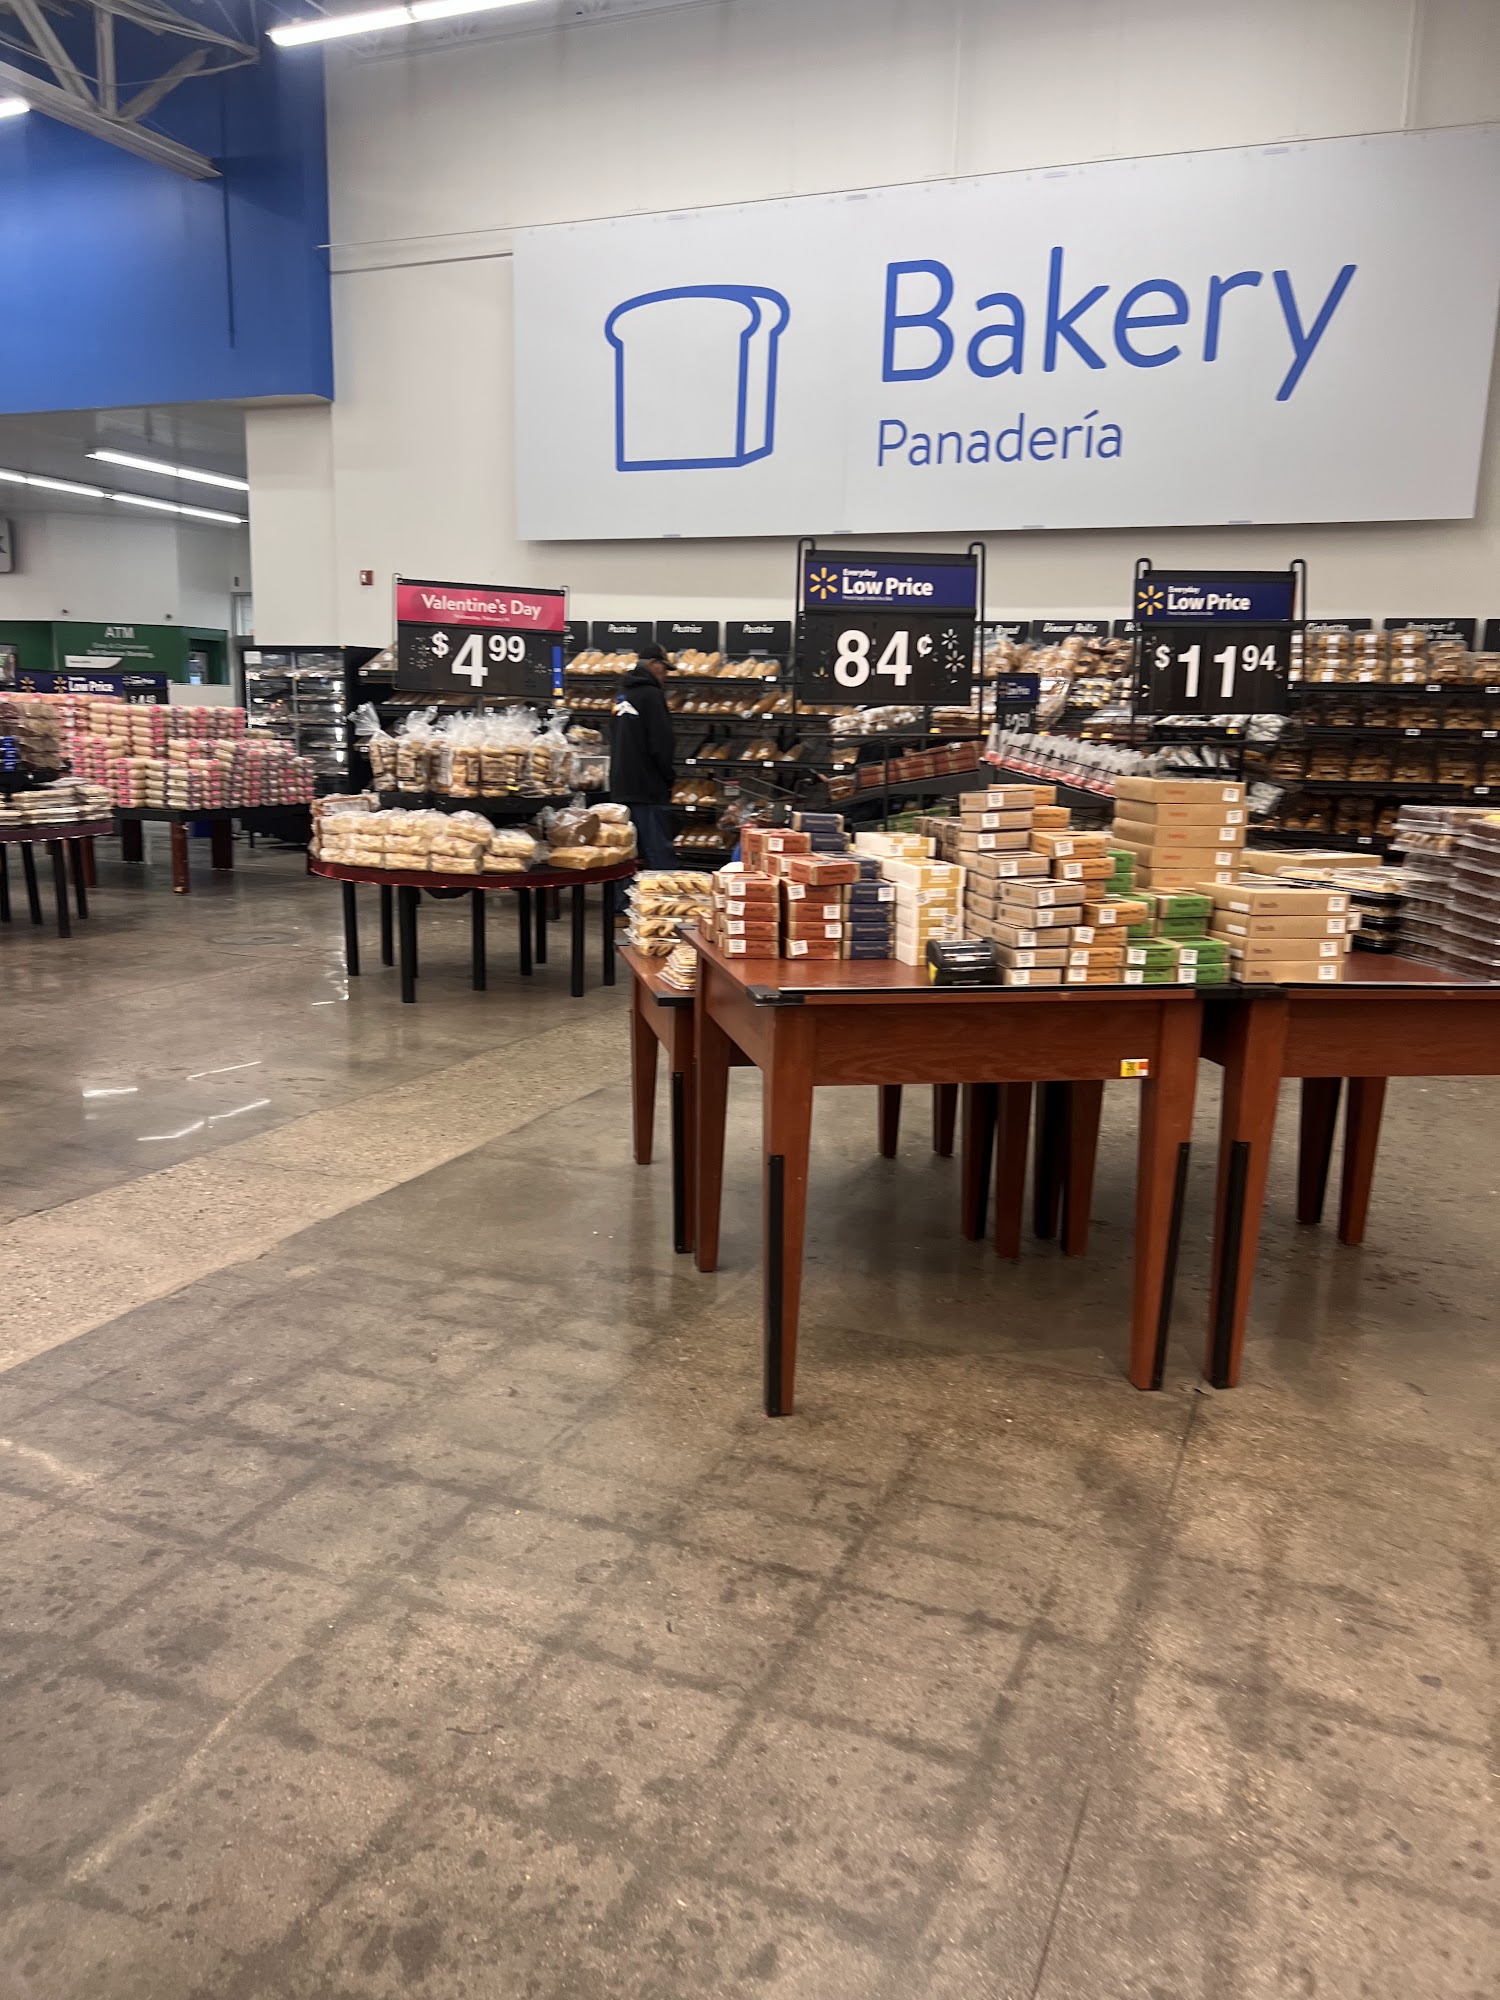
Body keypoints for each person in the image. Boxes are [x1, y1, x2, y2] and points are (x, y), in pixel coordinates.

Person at [610, 641, 677, 868]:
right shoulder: (652, 695)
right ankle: (663, 891)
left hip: (620, 788)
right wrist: (668, 778)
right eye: (664, 668)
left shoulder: (621, 695)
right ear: (653, 663)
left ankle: (625, 893)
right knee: (658, 855)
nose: (666, 675)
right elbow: (662, 743)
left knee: (626, 854)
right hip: (647, 789)